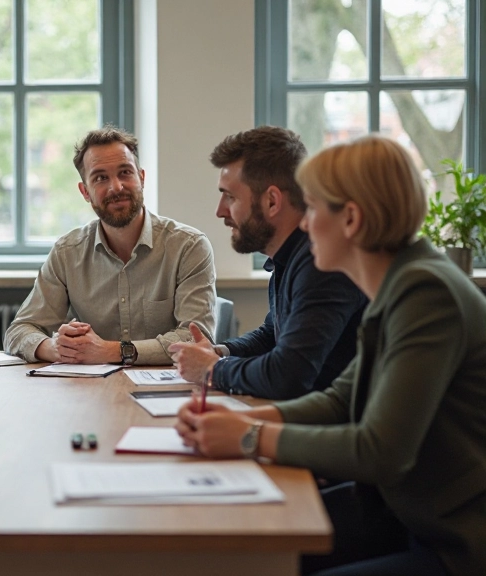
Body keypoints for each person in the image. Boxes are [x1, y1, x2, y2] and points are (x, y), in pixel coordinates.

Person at [175, 135, 486, 576]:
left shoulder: (424, 293)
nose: (303, 224)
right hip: (404, 514)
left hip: (454, 542)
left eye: (315, 208)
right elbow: (341, 399)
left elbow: (380, 450)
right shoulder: (401, 283)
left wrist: (249, 438)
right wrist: (243, 423)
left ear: (352, 219)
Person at [169, 127, 366, 399]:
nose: (219, 211)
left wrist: (214, 369)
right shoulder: (290, 257)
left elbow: (288, 375)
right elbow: (271, 336)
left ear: (272, 201)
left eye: (231, 197)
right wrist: (219, 352)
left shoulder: (321, 263)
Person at [4, 126, 216, 365]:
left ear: (142, 178)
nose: (116, 187)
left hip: (168, 392)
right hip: (90, 391)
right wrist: (55, 348)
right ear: (85, 191)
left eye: (125, 172)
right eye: (100, 178)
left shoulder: (188, 246)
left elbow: (197, 338)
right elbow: (20, 330)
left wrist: (111, 351)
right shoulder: (67, 252)